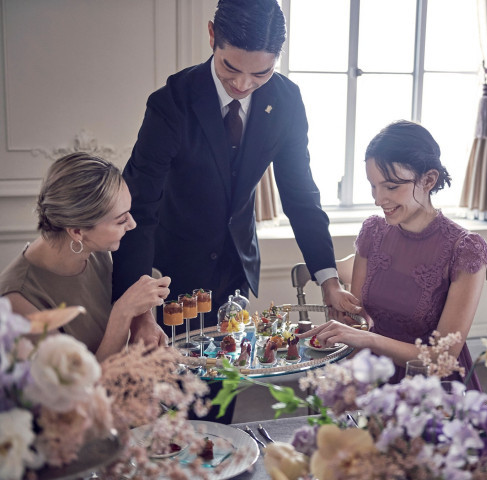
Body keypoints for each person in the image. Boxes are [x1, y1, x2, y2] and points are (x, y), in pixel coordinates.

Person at [111, 0, 360, 337]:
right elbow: (140, 205)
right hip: (173, 274)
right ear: (213, 35)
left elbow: (300, 196)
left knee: (227, 380)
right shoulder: (171, 102)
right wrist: (139, 314)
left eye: (261, 72)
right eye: (231, 67)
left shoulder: (286, 102)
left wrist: (329, 281)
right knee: (174, 382)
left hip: (236, 270)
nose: (243, 84)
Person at [299, 121, 487, 386]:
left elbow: (441, 359)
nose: (379, 199)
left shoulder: (465, 249)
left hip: (433, 390)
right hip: (374, 375)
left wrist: (365, 338)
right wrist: (344, 318)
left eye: (390, 187)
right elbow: (359, 322)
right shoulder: (373, 231)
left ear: (428, 180)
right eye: (373, 186)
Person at [0, 152, 170, 362]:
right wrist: (122, 313)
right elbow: (80, 390)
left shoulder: (92, 249)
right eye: (120, 220)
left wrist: (143, 318)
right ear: (77, 232)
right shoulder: (17, 303)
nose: (132, 224)